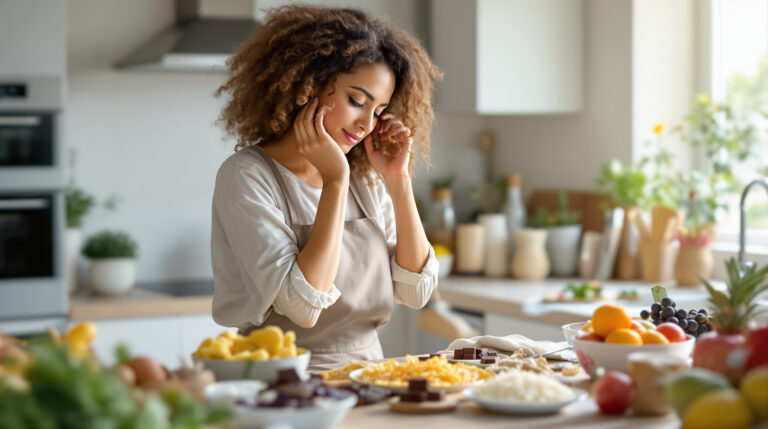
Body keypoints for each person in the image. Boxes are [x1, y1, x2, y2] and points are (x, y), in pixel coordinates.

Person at [210, 6, 443, 365]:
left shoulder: (365, 179)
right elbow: (304, 307)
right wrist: (335, 181)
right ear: (310, 84)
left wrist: (398, 181)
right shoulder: (247, 176)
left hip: (369, 374)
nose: (367, 123)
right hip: (283, 379)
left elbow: (416, 291)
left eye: (379, 111)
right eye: (357, 101)